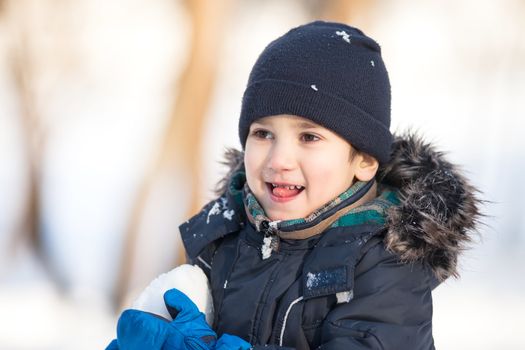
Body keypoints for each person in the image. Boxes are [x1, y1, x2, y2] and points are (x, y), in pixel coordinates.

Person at [107, 20, 481, 350]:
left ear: (364, 161)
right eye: (263, 133)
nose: (279, 160)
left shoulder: (387, 265)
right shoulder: (223, 242)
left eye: (309, 137)